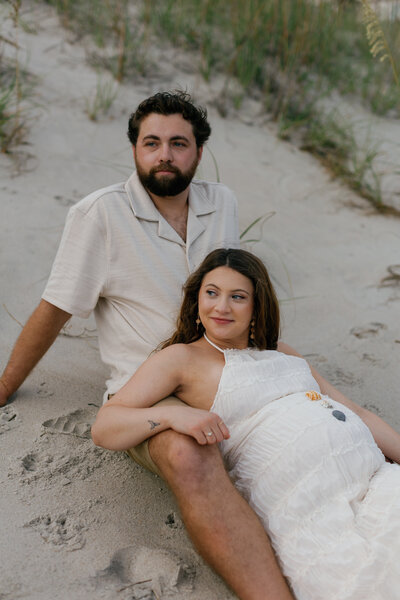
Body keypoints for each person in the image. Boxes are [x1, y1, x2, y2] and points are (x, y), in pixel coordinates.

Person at [0, 92, 294, 599]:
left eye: (178, 144)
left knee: (318, 427)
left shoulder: (220, 202)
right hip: (152, 393)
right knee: (189, 455)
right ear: (135, 149)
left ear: (198, 152)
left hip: (229, 371)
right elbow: (55, 308)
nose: (164, 155)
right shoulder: (99, 215)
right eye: (151, 142)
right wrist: (5, 386)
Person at [92, 248, 400, 600]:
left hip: (376, 480)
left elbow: (357, 412)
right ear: (197, 300)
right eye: (212, 293)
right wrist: (172, 414)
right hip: (309, 502)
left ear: (257, 306)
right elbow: (105, 426)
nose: (221, 307)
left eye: (237, 297)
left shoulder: (283, 352)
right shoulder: (182, 359)